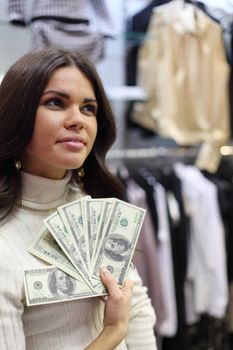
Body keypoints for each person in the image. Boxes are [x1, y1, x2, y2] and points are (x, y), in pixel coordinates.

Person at [0, 47, 157, 350]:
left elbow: (136, 311)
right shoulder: (5, 241)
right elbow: (122, 323)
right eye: (56, 103)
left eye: (88, 108)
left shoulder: (94, 211)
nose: (78, 120)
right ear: (17, 112)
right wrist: (112, 333)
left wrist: (124, 326)